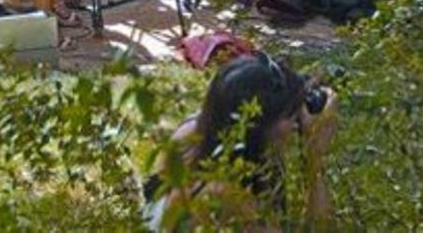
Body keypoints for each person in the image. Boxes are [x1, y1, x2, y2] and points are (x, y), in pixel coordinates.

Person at [143, 53, 336, 229]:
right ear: (260, 129)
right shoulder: (228, 197)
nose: (298, 120)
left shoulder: (193, 131)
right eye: (291, 113)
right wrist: (315, 158)